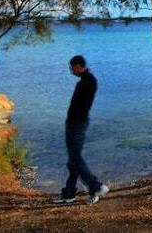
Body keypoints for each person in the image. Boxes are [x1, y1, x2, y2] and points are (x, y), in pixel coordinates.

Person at [52, 55, 109, 205]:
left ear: (78, 66)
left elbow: (81, 105)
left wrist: (73, 121)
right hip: (76, 124)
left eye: (72, 68)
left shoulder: (87, 82)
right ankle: (69, 193)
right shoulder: (86, 81)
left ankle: (96, 186)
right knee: (72, 162)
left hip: (77, 125)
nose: (71, 71)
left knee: (76, 159)